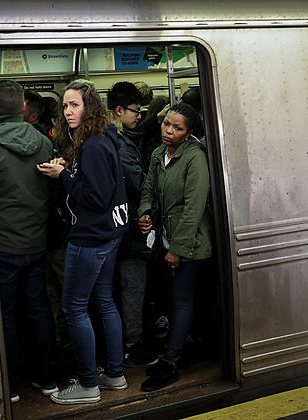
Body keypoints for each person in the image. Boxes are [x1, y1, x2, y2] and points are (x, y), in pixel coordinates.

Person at [38, 79, 129, 405]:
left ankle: (89, 384)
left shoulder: (91, 145)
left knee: (74, 308)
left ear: (89, 107)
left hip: (91, 237)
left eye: (74, 105)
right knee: (104, 302)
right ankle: (115, 374)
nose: (67, 111)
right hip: (111, 233)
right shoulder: (102, 138)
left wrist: (62, 177)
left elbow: (95, 197)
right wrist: (69, 171)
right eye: (64, 106)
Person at [0, 80, 57, 402]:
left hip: (3, 245)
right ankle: (50, 379)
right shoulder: (43, 141)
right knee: (40, 310)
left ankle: (11, 386)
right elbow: (51, 190)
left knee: (8, 315)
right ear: (24, 106)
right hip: (37, 241)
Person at [137, 103, 213, 392]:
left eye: (177, 128)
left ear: (189, 132)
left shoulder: (195, 158)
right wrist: (145, 213)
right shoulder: (159, 154)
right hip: (168, 237)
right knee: (172, 299)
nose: (169, 131)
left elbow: (194, 207)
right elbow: (148, 189)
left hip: (191, 243)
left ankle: (170, 362)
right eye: (166, 124)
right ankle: (178, 349)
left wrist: (177, 248)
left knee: (181, 300)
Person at [107, 81, 158, 366]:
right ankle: (131, 345)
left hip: (117, 227)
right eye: (135, 111)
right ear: (119, 110)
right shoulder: (121, 145)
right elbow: (138, 182)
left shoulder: (115, 136)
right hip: (129, 226)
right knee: (132, 285)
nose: (138, 117)